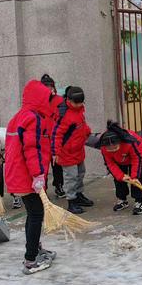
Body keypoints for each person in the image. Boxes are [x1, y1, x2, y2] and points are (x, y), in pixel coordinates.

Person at [5, 79, 57, 275]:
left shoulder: (19, 116)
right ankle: (30, 260)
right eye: (47, 97)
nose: (49, 100)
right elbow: (31, 149)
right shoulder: (33, 118)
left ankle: (35, 249)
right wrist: (38, 175)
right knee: (36, 215)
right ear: (39, 98)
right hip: (26, 175)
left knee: (33, 213)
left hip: (18, 174)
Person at [51, 86, 93, 214]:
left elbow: (81, 124)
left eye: (81, 102)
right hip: (67, 152)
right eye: (77, 102)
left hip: (78, 149)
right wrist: (55, 153)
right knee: (71, 177)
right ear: (69, 100)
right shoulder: (63, 115)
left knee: (81, 173)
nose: (79, 104)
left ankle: (79, 195)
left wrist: (87, 132)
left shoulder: (80, 109)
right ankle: (71, 200)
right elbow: (56, 135)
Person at [98, 121, 142, 215]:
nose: (112, 151)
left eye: (115, 148)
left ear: (120, 142)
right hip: (118, 161)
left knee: (136, 180)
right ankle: (122, 199)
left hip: (133, 158)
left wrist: (134, 176)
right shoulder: (103, 147)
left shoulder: (131, 142)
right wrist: (120, 176)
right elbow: (110, 164)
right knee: (118, 179)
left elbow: (137, 159)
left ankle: (139, 201)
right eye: (109, 149)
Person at [41, 74, 65, 199]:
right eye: (46, 87)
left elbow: (63, 118)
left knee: (57, 165)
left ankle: (59, 185)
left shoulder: (59, 100)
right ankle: (42, 189)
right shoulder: (38, 101)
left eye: (51, 87)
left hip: (55, 138)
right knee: (42, 166)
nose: (49, 90)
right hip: (42, 139)